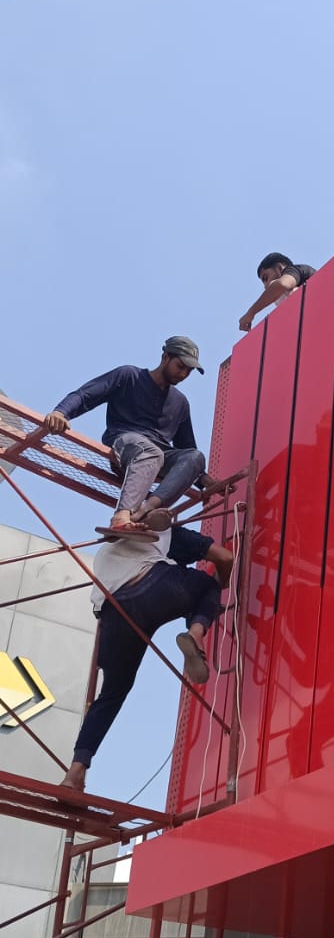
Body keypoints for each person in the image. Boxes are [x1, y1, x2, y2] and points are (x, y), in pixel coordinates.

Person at [61, 524, 234, 793]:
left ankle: (75, 772)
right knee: (207, 586)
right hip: (154, 587)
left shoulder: (107, 548)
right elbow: (225, 557)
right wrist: (217, 593)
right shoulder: (165, 530)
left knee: (111, 695)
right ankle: (196, 632)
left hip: (113, 614)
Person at [44, 338, 218, 537]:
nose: (183, 374)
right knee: (151, 452)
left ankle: (145, 512)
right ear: (165, 357)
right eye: (180, 366)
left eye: (189, 371)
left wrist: (204, 481)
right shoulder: (129, 376)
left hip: (160, 457)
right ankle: (121, 516)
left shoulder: (180, 403)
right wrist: (60, 412)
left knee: (196, 456)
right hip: (127, 443)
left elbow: (186, 449)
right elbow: (85, 395)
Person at [239, 253, 315, 332]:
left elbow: (282, 284)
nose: (266, 287)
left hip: (316, 307)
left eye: (265, 277)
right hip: (311, 322)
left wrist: (251, 313)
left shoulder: (296, 270)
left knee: (276, 288)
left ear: (279, 268)